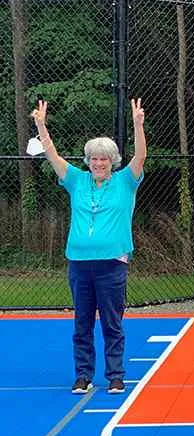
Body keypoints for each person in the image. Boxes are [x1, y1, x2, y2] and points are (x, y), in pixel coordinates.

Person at [30, 98, 146, 394]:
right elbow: (53, 156)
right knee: (82, 323)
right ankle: (83, 375)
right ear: (88, 161)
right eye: (93, 158)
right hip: (79, 264)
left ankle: (116, 375)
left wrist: (137, 125)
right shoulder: (77, 181)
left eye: (103, 158)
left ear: (112, 161)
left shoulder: (125, 182)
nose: (98, 163)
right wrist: (41, 126)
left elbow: (141, 158)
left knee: (111, 323)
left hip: (111, 264)